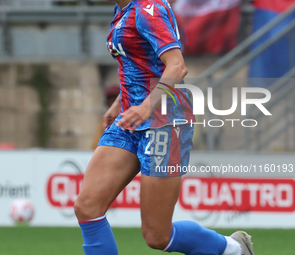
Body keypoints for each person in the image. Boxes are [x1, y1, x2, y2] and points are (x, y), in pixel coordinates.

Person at [74, 0, 255, 254]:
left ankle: (233, 248)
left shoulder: (150, 10)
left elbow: (177, 66)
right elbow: (138, 63)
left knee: (157, 236)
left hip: (166, 122)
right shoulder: (123, 9)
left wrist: (147, 106)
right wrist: (119, 102)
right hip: (130, 119)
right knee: (87, 207)